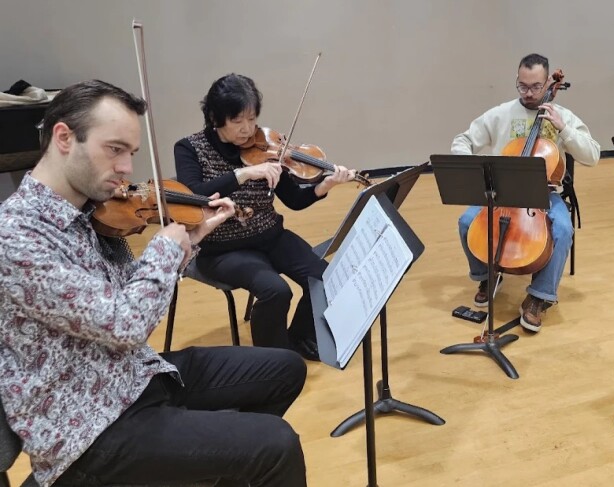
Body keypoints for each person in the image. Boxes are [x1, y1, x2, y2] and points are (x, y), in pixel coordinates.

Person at [0, 80, 308, 486]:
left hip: (135, 376)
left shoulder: (89, 214)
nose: (127, 169)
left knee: (285, 368)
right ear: (63, 138)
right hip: (90, 428)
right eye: (114, 149)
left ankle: (210, 466)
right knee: (275, 444)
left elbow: (126, 290)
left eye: (131, 153)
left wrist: (187, 244)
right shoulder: (18, 236)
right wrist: (163, 251)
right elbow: (124, 324)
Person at [175, 73, 356, 360]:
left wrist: (325, 185)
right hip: (222, 248)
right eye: (237, 121)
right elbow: (194, 195)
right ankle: (274, 359)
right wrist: (243, 173)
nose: (247, 129)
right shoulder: (190, 148)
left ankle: (299, 338)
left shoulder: (267, 147)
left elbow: (294, 200)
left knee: (323, 278)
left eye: (252, 119)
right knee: (276, 291)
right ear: (214, 117)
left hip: (270, 236)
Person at [452, 53, 600, 332]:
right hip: (501, 191)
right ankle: (488, 275)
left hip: (542, 196)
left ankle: (539, 297)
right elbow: (463, 140)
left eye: (535, 87)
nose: (529, 93)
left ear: (547, 83)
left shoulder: (562, 116)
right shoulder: (500, 113)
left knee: (562, 229)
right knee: (466, 222)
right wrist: (470, 166)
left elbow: (592, 155)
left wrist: (564, 130)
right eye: (522, 86)